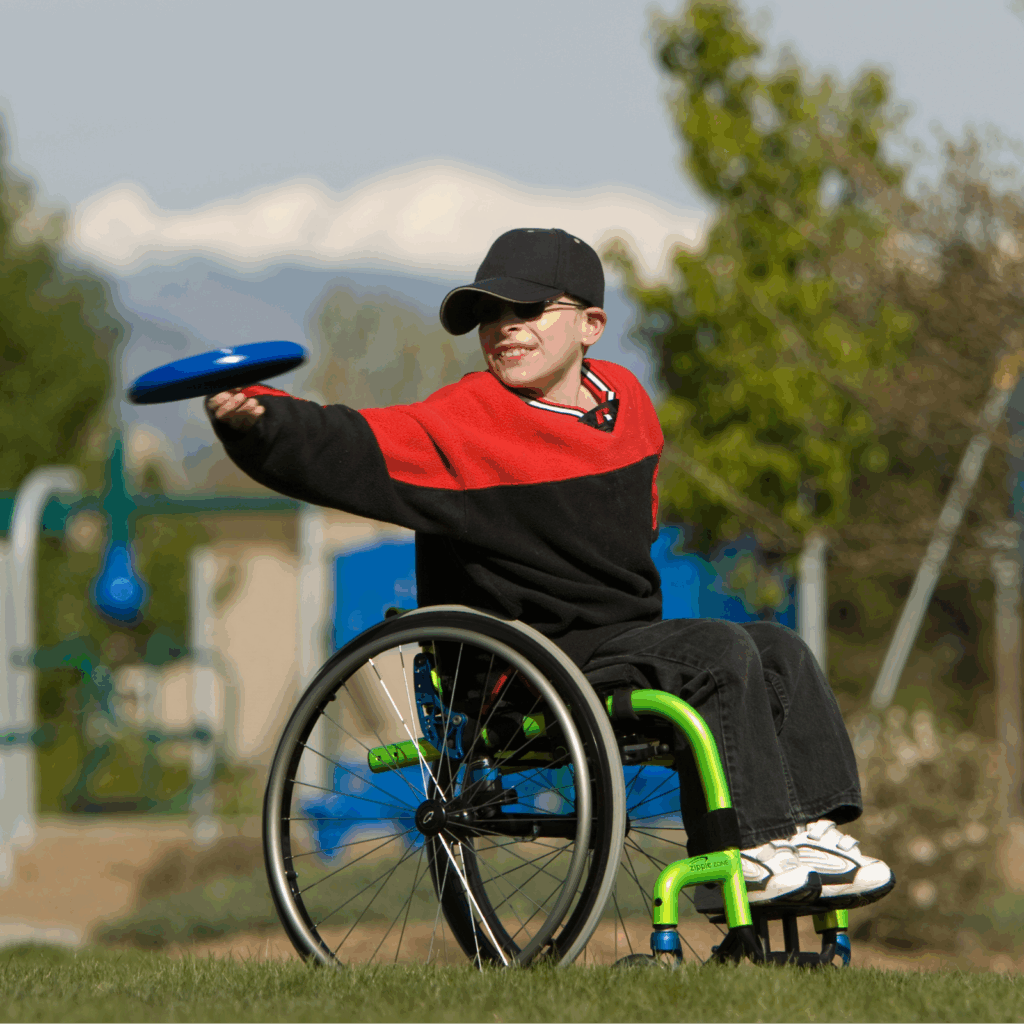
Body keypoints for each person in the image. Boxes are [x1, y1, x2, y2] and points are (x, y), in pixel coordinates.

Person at [206, 227, 894, 912]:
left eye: (528, 311)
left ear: (592, 323)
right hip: (524, 671)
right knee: (719, 654)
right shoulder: (465, 421)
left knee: (780, 650)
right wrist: (257, 419)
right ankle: (755, 850)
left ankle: (810, 835)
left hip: (621, 640)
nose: (504, 329)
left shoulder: (629, 403)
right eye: (489, 317)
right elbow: (347, 443)